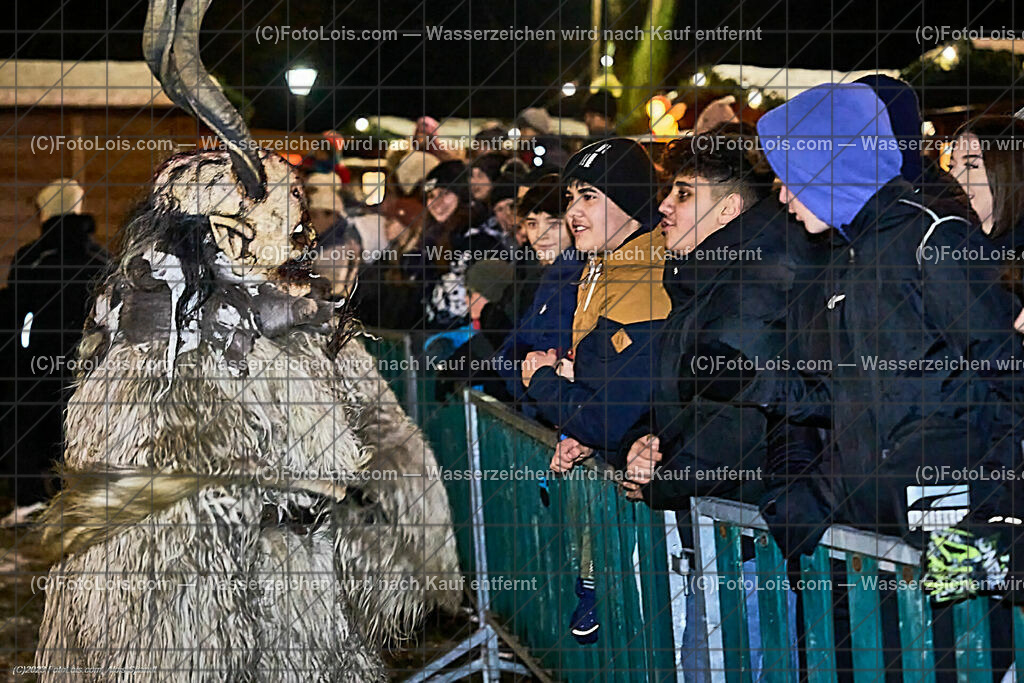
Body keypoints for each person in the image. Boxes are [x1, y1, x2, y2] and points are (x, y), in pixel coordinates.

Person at [757, 83, 1018, 678]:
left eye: (792, 175)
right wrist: (806, 500)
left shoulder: (934, 240)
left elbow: (1009, 378)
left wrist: (991, 515)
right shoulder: (847, 257)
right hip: (872, 542)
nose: (783, 194)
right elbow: (854, 400)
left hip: (947, 546)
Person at [611, 125, 813, 681]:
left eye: (683, 193)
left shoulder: (757, 279)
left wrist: (664, 479)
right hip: (721, 531)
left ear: (727, 209)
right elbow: (687, 394)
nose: (664, 206)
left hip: (749, 539)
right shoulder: (708, 275)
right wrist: (647, 441)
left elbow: (741, 422)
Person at [521, 138, 671, 458]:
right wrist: (587, 439)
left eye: (589, 196)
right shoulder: (601, 264)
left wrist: (543, 381)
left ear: (629, 202)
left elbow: (611, 420)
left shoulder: (645, 281)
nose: (572, 211)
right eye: (570, 198)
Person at [0, 178, 109, 510]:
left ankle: (29, 500)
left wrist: (16, 359)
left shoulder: (31, 258)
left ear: (45, 213)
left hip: (35, 363)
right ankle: (75, 500)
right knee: (78, 426)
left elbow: (15, 316)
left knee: (23, 423)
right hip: (87, 364)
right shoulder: (103, 259)